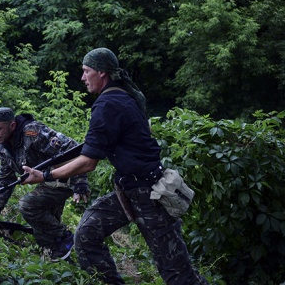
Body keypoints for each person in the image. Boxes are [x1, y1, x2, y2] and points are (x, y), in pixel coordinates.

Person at [21, 48, 208, 285]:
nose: (82, 77)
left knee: (179, 275)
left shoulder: (109, 104)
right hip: (128, 189)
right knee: (86, 235)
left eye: (86, 71)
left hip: (149, 194)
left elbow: (88, 162)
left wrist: (45, 175)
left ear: (102, 73)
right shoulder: (124, 96)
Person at [0, 107, 88, 261]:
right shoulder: (2, 146)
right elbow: (5, 179)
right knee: (46, 236)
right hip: (45, 182)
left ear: (12, 125)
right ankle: (63, 264)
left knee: (28, 205)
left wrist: (81, 181)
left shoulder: (32, 133)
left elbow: (72, 149)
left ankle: (66, 236)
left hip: (63, 177)